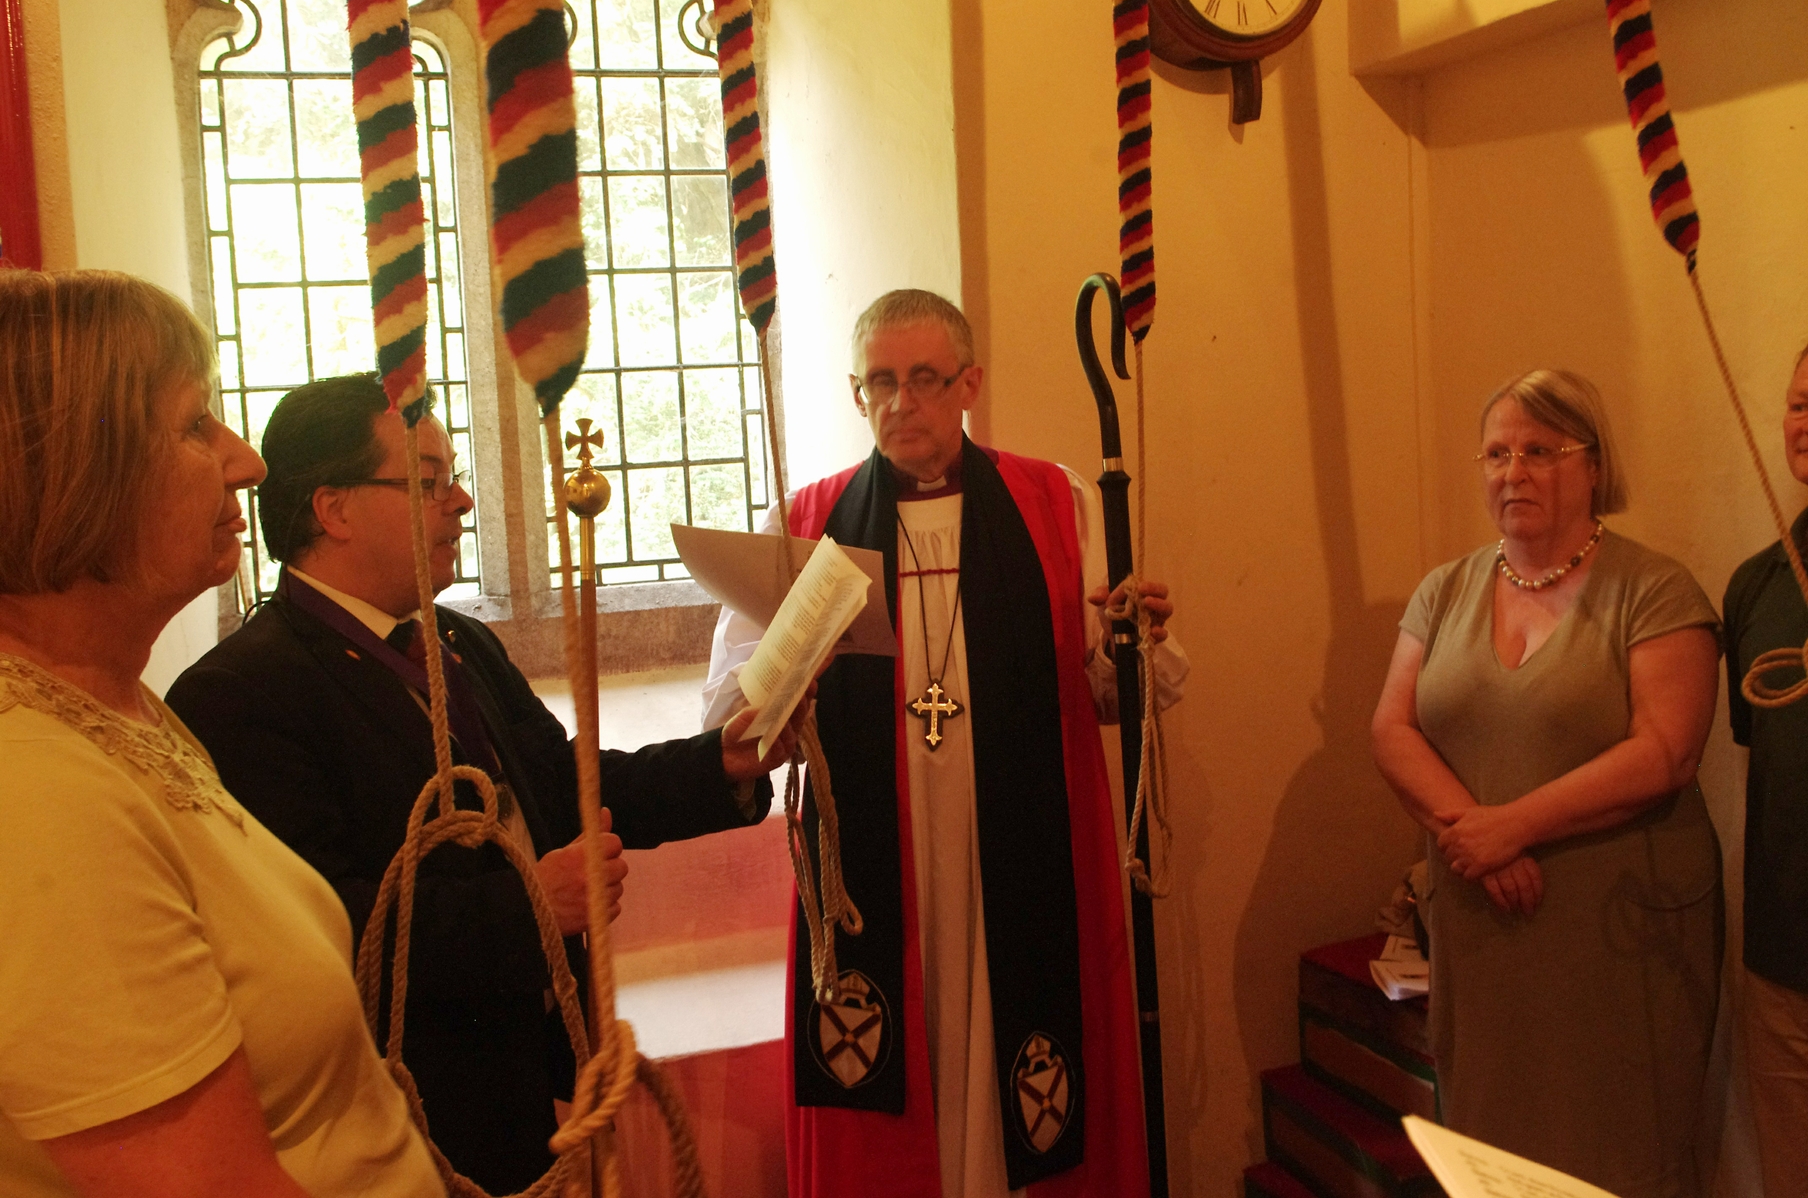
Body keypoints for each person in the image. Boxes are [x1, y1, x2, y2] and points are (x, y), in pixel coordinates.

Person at [165, 374, 801, 1194]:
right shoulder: (239, 694)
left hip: (521, 1072)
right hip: (403, 1104)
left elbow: (558, 786)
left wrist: (721, 762)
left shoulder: (456, 640)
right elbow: (321, 927)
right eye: (429, 482)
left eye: (454, 477)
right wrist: (528, 907)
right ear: (335, 510)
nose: (462, 501)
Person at [702, 289, 1187, 1198]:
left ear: (969, 384)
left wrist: (1135, 642)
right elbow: (730, 721)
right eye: (879, 382)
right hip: (878, 871)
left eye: (924, 378)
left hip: (1023, 856)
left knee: (1023, 1046)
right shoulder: (805, 521)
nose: (901, 402)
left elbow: (1112, 695)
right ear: (857, 394)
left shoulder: (1056, 503)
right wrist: (782, 675)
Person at [0, 269, 443, 1197]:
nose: (246, 462)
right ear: (77, 471)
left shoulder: (115, 706)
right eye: (196, 424)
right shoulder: (32, 793)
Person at [1371, 369, 1722, 1198]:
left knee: (1620, 1153)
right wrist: (1478, 835)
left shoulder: (1656, 588)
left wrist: (1515, 826)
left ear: (1593, 465)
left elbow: (1666, 752)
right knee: (1494, 1152)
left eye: (1539, 451)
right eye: (1496, 454)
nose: (1513, 472)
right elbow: (1391, 727)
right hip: (1482, 927)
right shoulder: (1444, 589)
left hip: (1618, 938)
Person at [1721, 343, 1808, 1198]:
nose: (1805, 422)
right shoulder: (1755, 586)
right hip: (1782, 961)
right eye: (1799, 403)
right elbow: (1765, 757)